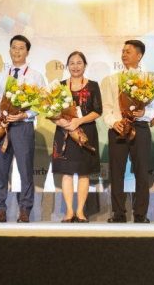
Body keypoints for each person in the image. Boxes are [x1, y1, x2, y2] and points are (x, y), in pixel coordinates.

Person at [0, 35, 46, 223]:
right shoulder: (2, 76)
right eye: (14, 47)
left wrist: (24, 115)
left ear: (27, 51)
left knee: (25, 170)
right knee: (1, 170)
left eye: (21, 48)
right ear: (9, 50)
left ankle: (25, 210)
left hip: (23, 127)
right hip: (2, 127)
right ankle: (0, 210)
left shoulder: (35, 76)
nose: (17, 51)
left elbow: (42, 103)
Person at [101, 40, 154, 223]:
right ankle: (118, 213)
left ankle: (141, 214)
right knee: (116, 172)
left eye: (128, 51)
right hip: (118, 128)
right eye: (123, 51)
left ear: (139, 56)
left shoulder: (150, 79)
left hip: (140, 128)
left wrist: (145, 112)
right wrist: (114, 122)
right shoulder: (111, 80)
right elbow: (107, 108)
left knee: (142, 171)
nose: (124, 54)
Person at [51, 51, 101, 223]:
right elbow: (51, 111)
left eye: (79, 63)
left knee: (83, 173)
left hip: (85, 133)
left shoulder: (93, 85)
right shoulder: (60, 86)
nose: (75, 66)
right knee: (66, 173)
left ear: (85, 65)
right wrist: (60, 122)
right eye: (72, 63)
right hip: (65, 133)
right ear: (67, 66)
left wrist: (78, 121)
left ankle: (80, 212)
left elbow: (97, 111)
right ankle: (69, 212)